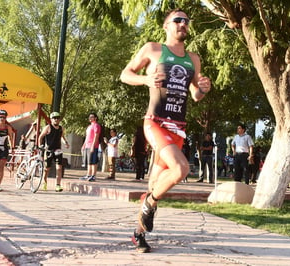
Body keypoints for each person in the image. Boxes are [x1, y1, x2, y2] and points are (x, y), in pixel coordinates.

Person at [120, 8, 211, 253]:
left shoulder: (193, 58)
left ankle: (138, 234)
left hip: (178, 128)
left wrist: (202, 88)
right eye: (177, 20)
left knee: (156, 183)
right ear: (166, 26)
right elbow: (125, 74)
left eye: (186, 21)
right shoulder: (153, 49)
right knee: (181, 168)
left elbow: (195, 94)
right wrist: (146, 80)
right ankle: (149, 204)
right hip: (155, 122)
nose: (183, 24)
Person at [38, 112, 69, 191]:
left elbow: (62, 137)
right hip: (49, 150)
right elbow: (40, 137)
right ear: (51, 119)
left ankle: (58, 185)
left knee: (59, 168)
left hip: (57, 150)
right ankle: (44, 182)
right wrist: (40, 145)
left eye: (58, 118)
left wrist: (65, 142)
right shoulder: (48, 127)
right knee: (47, 168)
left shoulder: (61, 128)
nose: (56, 119)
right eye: (54, 118)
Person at [80, 113, 102, 182]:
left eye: (92, 117)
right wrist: (84, 145)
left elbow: (96, 136)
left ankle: (93, 176)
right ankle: (88, 175)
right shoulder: (89, 127)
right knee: (89, 161)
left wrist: (93, 145)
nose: (90, 118)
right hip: (87, 145)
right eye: (89, 117)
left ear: (95, 118)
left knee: (93, 161)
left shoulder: (96, 126)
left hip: (93, 146)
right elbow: (87, 137)